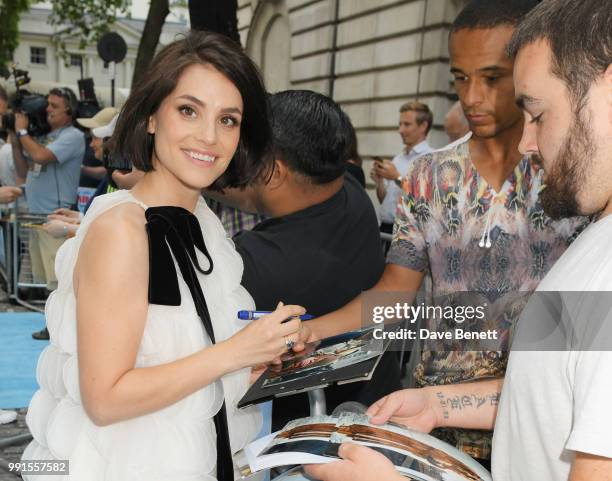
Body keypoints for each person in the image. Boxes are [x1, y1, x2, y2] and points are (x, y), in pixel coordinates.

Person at [307, 1, 612, 480]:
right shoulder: (427, 176)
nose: (473, 97)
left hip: (550, 433)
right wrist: (316, 332)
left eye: (494, 78)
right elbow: (396, 294)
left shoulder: (577, 183)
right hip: (448, 420)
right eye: (461, 78)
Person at [22, 31, 305, 481]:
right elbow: (105, 398)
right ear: (152, 116)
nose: (209, 136)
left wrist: (257, 358)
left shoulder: (205, 223)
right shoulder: (122, 229)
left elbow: (181, 361)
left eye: (228, 119)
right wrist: (234, 353)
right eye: (188, 110)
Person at [232, 90, 401, 429]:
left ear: (275, 172)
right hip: (370, 406)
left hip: (297, 436)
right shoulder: (352, 192)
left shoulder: (258, 263)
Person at [9, 86, 85, 298]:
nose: (47, 110)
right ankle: (47, 323)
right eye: (47, 104)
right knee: (43, 280)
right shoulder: (43, 136)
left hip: (57, 215)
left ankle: (56, 328)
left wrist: (22, 131)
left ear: (69, 110)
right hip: (38, 214)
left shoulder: (74, 136)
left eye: (54, 106)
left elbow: (42, 157)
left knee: (57, 278)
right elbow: (24, 171)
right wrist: (16, 142)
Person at [371, 101, 433, 252]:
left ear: (423, 126)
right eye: (400, 124)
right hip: (385, 229)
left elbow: (423, 197)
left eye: (407, 124)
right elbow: (385, 201)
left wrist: (396, 177)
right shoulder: (398, 158)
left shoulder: (432, 158)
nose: (400, 130)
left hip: (408, 233)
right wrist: (379, 181)